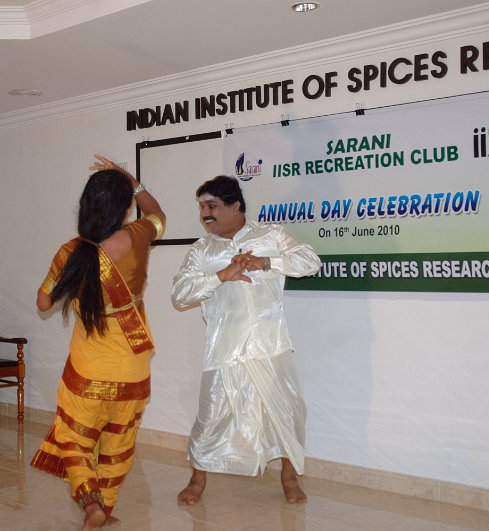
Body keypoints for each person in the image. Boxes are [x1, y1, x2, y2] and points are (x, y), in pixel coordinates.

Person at [32, 155, 165, 530]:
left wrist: (71, 284)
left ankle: (90, 501)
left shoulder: (69, 252)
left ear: (86, 206)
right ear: (124, 209)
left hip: (86, 371)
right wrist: (133, 181)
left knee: (72, 436)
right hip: (132, 368)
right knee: (118, 441)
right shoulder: (137, 236)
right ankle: (104, 508)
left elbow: (43, 303)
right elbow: (158, 215)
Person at [171, 175, 321, 506]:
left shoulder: (270, 235)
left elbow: (311, 261)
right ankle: (197, 479)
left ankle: (289, 476)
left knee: (286, 412)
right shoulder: (202, 251)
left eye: (212, 206)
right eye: (202, 207)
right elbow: (180, 295)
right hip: (224, 348)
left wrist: (266, 262)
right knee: (211, 416)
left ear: (235, 205)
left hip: (270, 345)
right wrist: (220, 276)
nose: (205, 214)